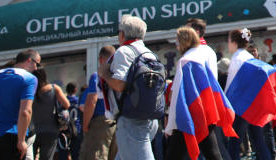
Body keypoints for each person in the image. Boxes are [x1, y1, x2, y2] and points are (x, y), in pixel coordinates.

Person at [98, 15, 161, 160]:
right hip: (149, 117)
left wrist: (105, 74)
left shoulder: (124, 51)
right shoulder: (149, 53)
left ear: (122, 34)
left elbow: (120, 84)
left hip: (131, 119)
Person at [164, 26, 232, 160]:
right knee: (212, 152)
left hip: (188, 115)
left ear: (183, 41)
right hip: (205, 111)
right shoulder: (202, 55)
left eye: (177, 40)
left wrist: (170, 123)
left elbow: (177, 94)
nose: (176, 44)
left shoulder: (184, 61)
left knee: (174, 155)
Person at [224, 28, 273, 160]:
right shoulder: (249, 57)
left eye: (228, 40)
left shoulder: (236, 59)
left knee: (234, 142)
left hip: (241, 106)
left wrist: (225, 103)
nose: (227, 44)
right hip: (254, 104)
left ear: (234, 42)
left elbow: (231, 86)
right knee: (258, 140)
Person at [80, 46, 115, 160]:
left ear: (100, 59)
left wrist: (85, 125)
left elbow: (91, 101)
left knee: (96, 155)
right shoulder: (119, 75)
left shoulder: (97, 76)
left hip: (100, 121)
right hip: (116, 121)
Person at [31, 67, 70, 159]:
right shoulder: (54, 88)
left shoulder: (30, 91)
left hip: (33, 130)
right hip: (51, 130)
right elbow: (67, 104)